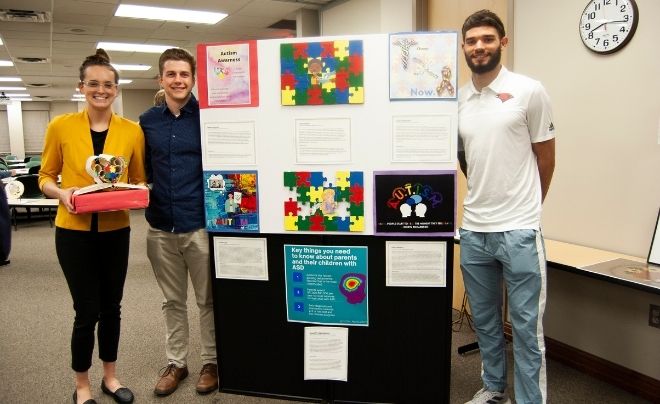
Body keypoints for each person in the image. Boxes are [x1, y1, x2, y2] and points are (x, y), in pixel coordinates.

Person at [457, 10, 556, 404]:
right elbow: (466, 158)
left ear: (503, 42)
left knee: (527, 330)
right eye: (471, 41)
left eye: (487, 38)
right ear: (464, 47)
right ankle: (494, 389)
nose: (479, 46)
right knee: (484, 323)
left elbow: (546, 159)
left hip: (518, 231)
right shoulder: (460, 99)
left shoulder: (529, 91)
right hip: (474, 230)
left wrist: (528, 209)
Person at [38, 49, 145, 404]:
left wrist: (138, 191)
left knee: (111, 307)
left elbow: (141, 179)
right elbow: (44, 177)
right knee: (86, 311)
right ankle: (82, 384)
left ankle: (110, 378)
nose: (101, 90)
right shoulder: (61, 126)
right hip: (73, 231)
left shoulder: (132, 131)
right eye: (94, 84)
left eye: (108, 85)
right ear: (81, 87)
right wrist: (61, 191)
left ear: (116, 90)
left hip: (116, 230)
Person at [139, 48, 217, 397]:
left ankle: (211, 362)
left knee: (207, 300)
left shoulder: (208, 118)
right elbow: (145, 172)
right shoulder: (147, 121)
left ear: (193, 79)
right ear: (161, 79)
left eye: (184, 74)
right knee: (172, 301)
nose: (178, 80)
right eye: (171, 74)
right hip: (159, 227)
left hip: (198, 223)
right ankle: (177, 363)